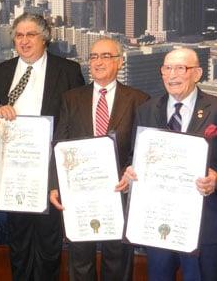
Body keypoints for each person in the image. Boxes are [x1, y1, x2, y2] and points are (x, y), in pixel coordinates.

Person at [0, 12, 84, 280]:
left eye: (31, 35)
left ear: (45, 38)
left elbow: (78, 117)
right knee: (18, 244)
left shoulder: (68, 71)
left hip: (49, 174)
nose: (24, 41)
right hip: (13, 173)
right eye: (19, 35)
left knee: (49, 246)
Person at [124, 48, 217, 280]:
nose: (172, 74)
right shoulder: (146, 110)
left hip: (205, 226)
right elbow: (135, 155)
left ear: (198, 73)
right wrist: (131, 171)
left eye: (180, 68)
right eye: (166, 68)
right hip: (158, 223)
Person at [48, 38, 149, 281]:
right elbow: (60, 143)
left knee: (117, 260)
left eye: (106, 56)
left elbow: (142, 147)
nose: (98, 62)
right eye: (94, 56)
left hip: (119, 192)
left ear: (119, 62)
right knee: (80, 260)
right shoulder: (71, 98)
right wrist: (54, 184)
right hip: (79, 194)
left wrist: (129, 172)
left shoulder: (139, 99)